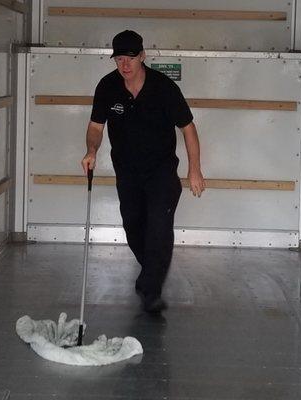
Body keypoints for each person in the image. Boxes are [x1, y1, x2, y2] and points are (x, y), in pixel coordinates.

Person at [81, 30, 204, 313]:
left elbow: (188, 128)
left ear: (143, 56)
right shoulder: (107, 87)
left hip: (161, 172)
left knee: (159, 228)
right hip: (127, 171)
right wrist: (91, 150)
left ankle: (151, 291)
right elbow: (96, 127)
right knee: (134, 227)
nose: (125, 65)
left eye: (131, 58)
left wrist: (194, 169)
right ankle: (150, 274)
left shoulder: (163, 88)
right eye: (119, 59)